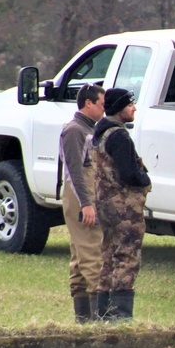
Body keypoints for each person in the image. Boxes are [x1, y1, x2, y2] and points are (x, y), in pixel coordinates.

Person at [91, 88, 151, 321]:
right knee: (127, 256)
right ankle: (121, 316)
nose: (134, 108)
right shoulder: (119, 136)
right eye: (129, 104)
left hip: (105, 205)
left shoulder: (100, 133)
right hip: (124, 206)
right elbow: (129, 173)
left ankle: (103, 313)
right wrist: (144, 178)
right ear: (118, 108)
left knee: (108, 255)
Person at [59, 84, 105, 322]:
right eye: (101, 104)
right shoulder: (75, 131)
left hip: (83, 196)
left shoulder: (87, 130)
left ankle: (83, 320)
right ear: (88, 104)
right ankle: (100, 319)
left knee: (79, 258)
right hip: (79, 197)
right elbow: (75, 170)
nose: (103, 109)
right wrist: (86, 203)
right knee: (92, 252)